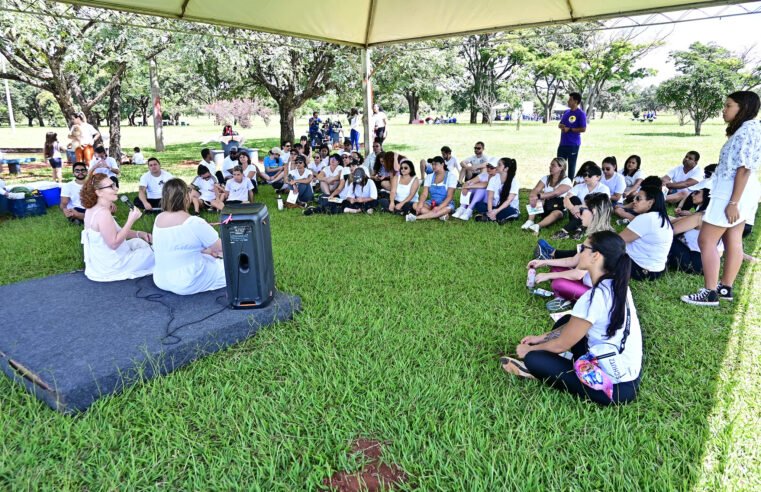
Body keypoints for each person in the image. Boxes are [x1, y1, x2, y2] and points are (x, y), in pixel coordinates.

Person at [503, 231, 642, 406]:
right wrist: (541, 338)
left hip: (614, 388)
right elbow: (572, 327)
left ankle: (541, 369)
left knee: (534, 360)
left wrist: (529, 350)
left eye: (583, 248)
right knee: (567, 320)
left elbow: (561, 344)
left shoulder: (594, 298)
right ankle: (565, 361)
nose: (579, 252)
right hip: (626, 369)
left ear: (595, 256)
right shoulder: (617, 285)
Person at [682, 91, 761, 306]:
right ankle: (725, 287)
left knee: (706, 240)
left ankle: (709, 292)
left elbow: (743, 169)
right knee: (732, 238)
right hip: (741, 192)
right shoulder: (751, 129)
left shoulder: (747, 131)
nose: (724, 110)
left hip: (731, 193)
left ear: (742, 108)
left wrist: (733, 202)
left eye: (728, 106)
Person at [527, 194, 614, 307]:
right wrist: (544, 262)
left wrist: (547, 276)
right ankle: (567, 297)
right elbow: (573, 260)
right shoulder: (596, 235)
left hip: (598, 295)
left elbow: (578, 274)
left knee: (558, 283)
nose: (578, 214)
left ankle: (569, 299)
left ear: (594, 212)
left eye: (582, 210)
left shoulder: (601, 241)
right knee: (556, 268)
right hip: (587, 281)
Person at [152, 179, 225, 295]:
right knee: (231, 267)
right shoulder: (194, 222)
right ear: (186, 197)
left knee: (210, 257)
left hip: (161, 279)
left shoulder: (158, 218)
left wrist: (208, 250)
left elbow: (178, 245)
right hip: (187, 281)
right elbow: (222, 247)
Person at [80, 172, 154, 282]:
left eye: (114, 185)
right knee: (155, 252)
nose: (116, 189)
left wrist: (141, 234)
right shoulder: (103, 213)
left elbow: (116, 232)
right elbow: (114, 244)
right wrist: (130, 220)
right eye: (111, 186)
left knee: (140, 242)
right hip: (113, 265)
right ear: (99, 192)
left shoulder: (92, 209)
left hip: (103, 262)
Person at [619, 186, 673, 280]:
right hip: (655, 271)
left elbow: (618, 241)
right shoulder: (660, 217)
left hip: (641, 270)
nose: (634, 201)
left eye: (638, 199)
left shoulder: (647, 218)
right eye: (635, 198)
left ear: (650, 202)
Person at [668, 187, 720, 274]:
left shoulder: (700, 217)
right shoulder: (713, 216)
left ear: (707, 197)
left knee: (664, 238)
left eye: (697, 193)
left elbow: (669, 231)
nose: (692, 194)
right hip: (707, 264)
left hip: (693, 260)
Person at [552, 163, 610, 239]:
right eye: (585, 175)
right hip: (577, 214)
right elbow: (566, 199)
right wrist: (573, 209)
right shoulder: (579, 186)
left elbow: (599, 206)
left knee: (589, 209)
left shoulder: (603, 189)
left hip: (594, 215)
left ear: (598, 177)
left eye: (589, 176)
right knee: (573, 199)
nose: (586, 177)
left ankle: (565, 231)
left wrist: (579, 207)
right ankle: (579, 229)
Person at [522, 157, 573, 233]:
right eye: (550, 165)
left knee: (557, 213)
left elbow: (555, 193)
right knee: (537, 199)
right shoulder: (546, 178)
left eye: (553, 165)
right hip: (545, 205)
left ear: (561, 167)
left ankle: (537, 226)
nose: (550, 167)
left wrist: (539, 196)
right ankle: (530, 220)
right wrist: (533, 196)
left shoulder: (567, 181)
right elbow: (536, 189)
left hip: (559, 207)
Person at [407, 157, 457, 222]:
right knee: (415, 205)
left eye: (435, 164)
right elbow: (424, 194)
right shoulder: (429, 176)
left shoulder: (451, 176)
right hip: (432, 202)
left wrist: (439, 207)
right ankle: (440, 215)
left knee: (446, 209)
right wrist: (420, 204)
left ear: (442, 164)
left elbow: (450, 196)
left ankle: (416, 218)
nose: (433, 166)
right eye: (432, 164)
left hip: (446, 204)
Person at [473, 157, 520, 224]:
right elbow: (490, 197)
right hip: (494, 206)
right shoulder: (494, 179)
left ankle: (488, 217)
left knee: (511, 211)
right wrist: (490, 211)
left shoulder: (514, 181)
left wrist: (496, 211)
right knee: (479, 205)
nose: (496, 166)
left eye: (499, 165)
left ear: (506, 169)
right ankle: (496, 218)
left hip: (507, 207)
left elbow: (509, 200)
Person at [557, 92, 587, 179]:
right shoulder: (566, 112)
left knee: (571, 165)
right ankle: (558, 182)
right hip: (563, 143)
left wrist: (569, 129)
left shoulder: (581, 114)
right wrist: (561, 126)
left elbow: (583, 129)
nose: (568, 101)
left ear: (576, 101)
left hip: (573, 144)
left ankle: (569, 184)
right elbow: (560, 124)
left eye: (570, 99)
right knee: (559, 164)